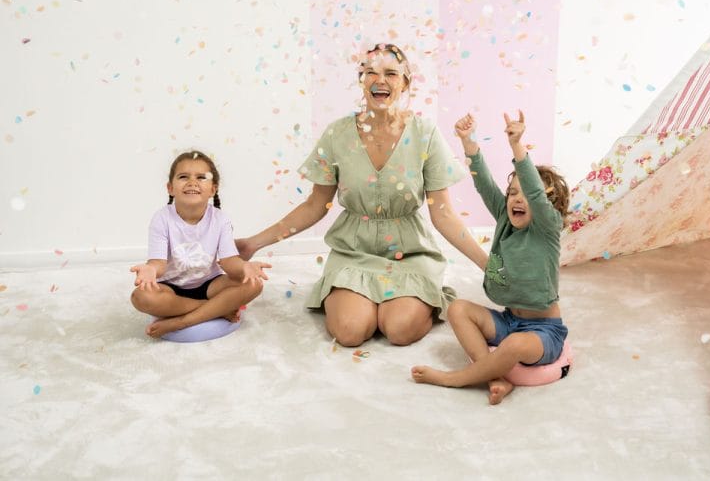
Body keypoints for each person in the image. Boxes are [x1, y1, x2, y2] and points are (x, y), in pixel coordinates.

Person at [237, 43, 487, 347]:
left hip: (410, 252)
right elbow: (316, 205)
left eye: (391, 73)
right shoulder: (337, 134)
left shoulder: (425, 133)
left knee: (399, 329)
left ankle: (404, 301)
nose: (380, 80)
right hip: (353, 252)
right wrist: (254, 243)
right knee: (350, 331)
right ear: (361, 81)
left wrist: (489, 266)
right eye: (370, 73)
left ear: (405, 83)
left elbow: (443, 213)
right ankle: (356, 298)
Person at [411, 111, 570, 405]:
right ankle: (494, 376)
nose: (517, 200)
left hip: (543, 330)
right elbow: (484, 184)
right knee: (458, 309)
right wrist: (468, 142)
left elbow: (535, 192)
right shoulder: (505, 218)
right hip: (509, 319)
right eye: (511, 194)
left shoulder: (547, 228)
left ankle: (454, 378)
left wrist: (516, 146)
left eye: (526, 195)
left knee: (514, 345)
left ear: (547, 207)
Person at [131, 150, 271, 338]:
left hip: (210, 284)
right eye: (183, 177)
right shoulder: (161, 219)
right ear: (170, 188)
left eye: (201, 177)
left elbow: (229, 262)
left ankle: (182, 321)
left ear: (213, 189)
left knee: (254, 285)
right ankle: (216, 309)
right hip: (171, 287)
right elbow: (159, 264)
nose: (192, 182)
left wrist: (245, 267)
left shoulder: (220, 220)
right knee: (141, 297)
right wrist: (150, 269)